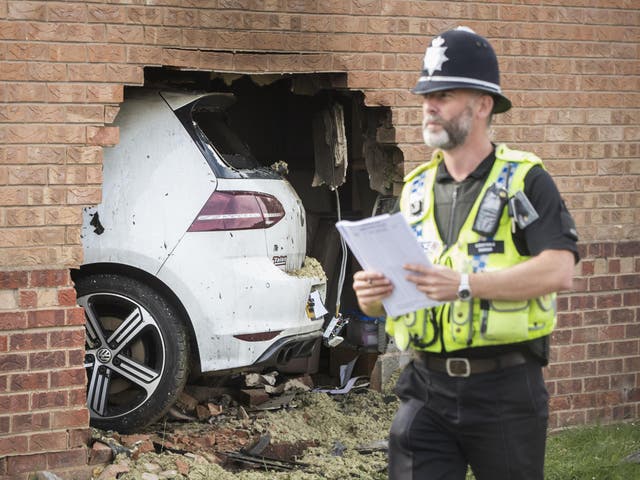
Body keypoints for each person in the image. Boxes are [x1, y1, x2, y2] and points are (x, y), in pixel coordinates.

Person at [352, 27, 579, 480]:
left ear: (482, 104)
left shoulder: (525, 180)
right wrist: (371, 295)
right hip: (425, 386)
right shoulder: (415, 190)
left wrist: (464, 285)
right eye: (426, 95)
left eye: (445, 94)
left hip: (505, 389)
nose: (429, 106)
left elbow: (560, 269)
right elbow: (387, 297)